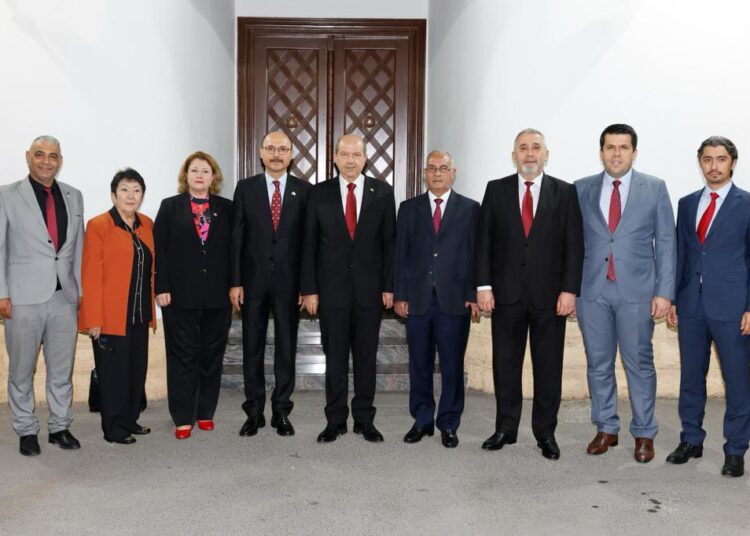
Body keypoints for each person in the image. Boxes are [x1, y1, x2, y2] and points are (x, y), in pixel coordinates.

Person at [475, 128, 583, 460]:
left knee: (548, 368)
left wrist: (570, 290)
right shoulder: (496, 190)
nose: (530, 153)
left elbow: (574, 245)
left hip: (550, 298)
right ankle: (505, 429)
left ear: (546, 154)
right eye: (523, 148)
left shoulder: (565, 192)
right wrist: (483, 286)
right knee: (505, 366)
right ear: (514, 156)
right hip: (505, 295)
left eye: (536, 147)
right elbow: (483, 242)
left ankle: (545, 433)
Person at [575, 124, 676, 464]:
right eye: (610, 147)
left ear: (634, 152)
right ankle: (606, 427)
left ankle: (644, 432)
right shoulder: (581, 189)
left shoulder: (655, 188)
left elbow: (666, 243)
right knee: (598, 363)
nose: (616, 153)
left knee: (639, 363)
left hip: (637, 292)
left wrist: (664, 292)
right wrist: (570, 290)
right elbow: (571, 243)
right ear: (601, 152)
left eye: (623, 147)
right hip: (592, 291)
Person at [301, 134, 396, 443]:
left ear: (365, 158)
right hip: (331, 291)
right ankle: (335, 420)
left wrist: (389, 286)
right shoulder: (319, 193)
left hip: (370, 292)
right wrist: (309, 289)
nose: (350, 160)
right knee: (336, 358)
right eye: (344, 154)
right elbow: (309, 244)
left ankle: (365, 420)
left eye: (356, 155)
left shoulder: (382, 192)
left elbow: (389, 243)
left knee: (366, 358)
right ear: (335, 158)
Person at [666, 136, 750, 478]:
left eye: (721, 159)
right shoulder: (687, 204)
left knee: (737, 380)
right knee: (691, 377)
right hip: (690, 305)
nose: (714, 166)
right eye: (707, 159)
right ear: (700, 162)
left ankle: (735, 450)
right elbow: (681, 254)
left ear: (732, 163)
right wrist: (674, 298)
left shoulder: (747, 204)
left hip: (733, 307)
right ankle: (691, 439)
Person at [0, 135, 84, 457]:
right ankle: (26, 430)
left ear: (60, 160)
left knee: (61, 369)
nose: (46, 161)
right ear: (28, 157)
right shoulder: (7, 195)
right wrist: (2, 293)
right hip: (22, 299)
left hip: (64, 298)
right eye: (39, 154)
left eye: (53, 155)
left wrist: (80, 293)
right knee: (22, 371)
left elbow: (77, 249)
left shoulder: (74, 195)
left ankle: (60, 426)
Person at [394, 150, 479, 448]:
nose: (438, 173)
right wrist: (400, 294)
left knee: (452, 364)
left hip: (455, 300)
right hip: (417, 298)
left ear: (453, 173)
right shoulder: (409, 208)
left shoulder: (470, 208)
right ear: (424, 173)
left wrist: (473, 293)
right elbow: (400, 254)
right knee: (419, 363)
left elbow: (476, 254)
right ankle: (422, 419)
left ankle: (449, 423)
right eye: (432, 168)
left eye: (443, 168)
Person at [230, 131, 310, 438]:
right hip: (252, 282)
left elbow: (308, 243)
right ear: (261, 153)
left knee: (286, 348)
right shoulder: (245, 188)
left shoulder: (304, 191)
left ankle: (281, 411)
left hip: (290, 284)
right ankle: (254, 412)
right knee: (252, 346)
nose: (276, 154)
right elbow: (236, 238)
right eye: (271, 148)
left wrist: (307, 285)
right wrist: (235, 281)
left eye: (283, 149)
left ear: (291, 155)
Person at [154, 152, 233, 440]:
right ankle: (183, 416)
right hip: (179, 296)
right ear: (185, 176)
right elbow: (160, 249)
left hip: (217, 296)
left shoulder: (227, 208)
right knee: (182, 356)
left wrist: (236, 285)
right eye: (194, 170)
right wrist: (161, 287)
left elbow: (235, 251)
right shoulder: (170, 207)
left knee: (212, 356)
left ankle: (205, 412)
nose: (200, 175)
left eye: (205, 171)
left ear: (214, 177)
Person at [79, 168, 155, 445]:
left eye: (136, 190)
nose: (130, 196)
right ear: (113, 195)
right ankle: (113, 428)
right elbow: (90, 275)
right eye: (124, 190)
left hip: (139, 313)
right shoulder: (98, 225)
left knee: (135, 371)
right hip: (110, 316)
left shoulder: (146, 224)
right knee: (113, 375)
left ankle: (130, 419)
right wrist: (93, 319)